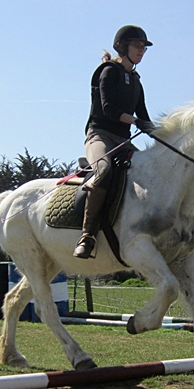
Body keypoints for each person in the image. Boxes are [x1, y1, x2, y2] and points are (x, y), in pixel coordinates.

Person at [73, 25, 156, 259]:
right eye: (137, 46)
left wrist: (165, 134)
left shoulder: (136, 81)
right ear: (122, 47)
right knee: (104, 170)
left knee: (149, 171)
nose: (141, 50)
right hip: (100, 135)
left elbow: (144, 116)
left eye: (144, 47)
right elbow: (108, 109)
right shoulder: (108, 71)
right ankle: (87, 236)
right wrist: (135, 121)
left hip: (123, 140)